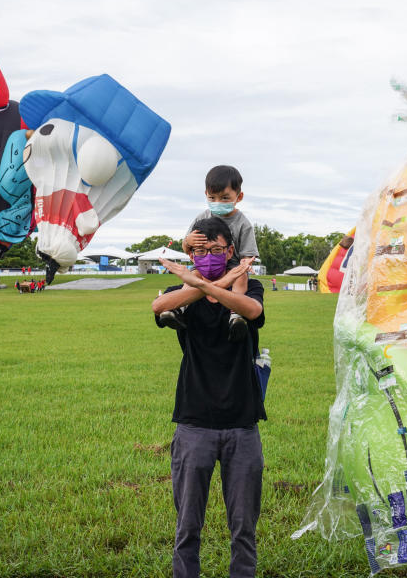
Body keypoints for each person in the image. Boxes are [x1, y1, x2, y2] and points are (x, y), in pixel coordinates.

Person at [152, 216, 266, 578]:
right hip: (193, 424)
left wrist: (219, 283)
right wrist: (206, 282)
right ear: (189, 252)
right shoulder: (180, 296)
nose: (209, 255)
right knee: (187, 529)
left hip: (243, 424)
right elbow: (158, 308)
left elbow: (252, 311)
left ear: (231, 251)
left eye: (216, 250)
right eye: (199, 251)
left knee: (244, 530)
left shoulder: (250, 290)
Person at [163, 165, 259, 340]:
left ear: (239, 197)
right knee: (193, 276)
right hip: (205, 266)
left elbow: (247, 254)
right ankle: (179, 309)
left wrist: (244, 265)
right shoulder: (201, 218)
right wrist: (187, 242)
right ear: (205, 194)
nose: (218, 203)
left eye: (225, 198)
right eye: (212, 198)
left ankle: (236, 314)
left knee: (241, 277)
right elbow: (188, 249)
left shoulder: (243, 223)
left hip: (231, 267)